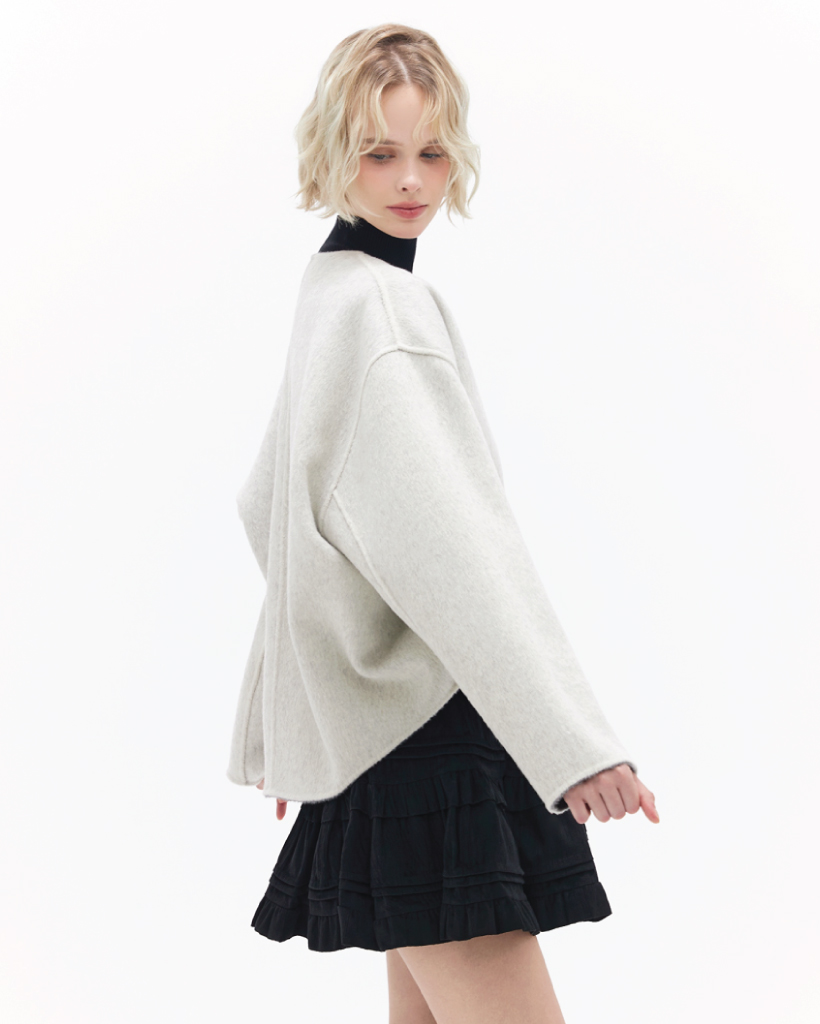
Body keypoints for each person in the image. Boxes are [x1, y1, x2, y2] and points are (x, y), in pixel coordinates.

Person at [227, 23, 659, 1024]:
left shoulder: (329, 292)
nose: (412, 180)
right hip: (430, 745)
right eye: (379, 152)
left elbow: (276, 512)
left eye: (431, 150)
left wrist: (305, 721)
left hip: (379, 747)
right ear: (331, 152)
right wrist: (575, 745)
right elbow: (458, 553)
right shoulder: (381, 311)